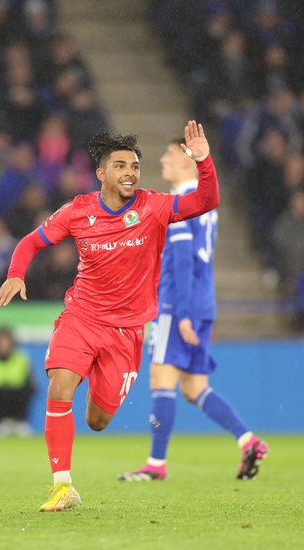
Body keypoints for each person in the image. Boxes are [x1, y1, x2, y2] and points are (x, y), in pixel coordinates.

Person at [0, 121, 220, 511]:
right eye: (120, 166)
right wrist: (16, 273)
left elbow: (205, 201)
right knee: (60, 385)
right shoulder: (78, 211)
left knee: (98, 420)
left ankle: (96, 397)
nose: (130, 172)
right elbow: (32, 241)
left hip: (126, 331)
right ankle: (62, 485)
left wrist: (203, 162)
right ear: (101, 173)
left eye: (134, 166)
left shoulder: (154, 207)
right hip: (81, 317)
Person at [117, 138, 268, 484]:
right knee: (195, 387)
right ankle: (249, 440)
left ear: (187, 161)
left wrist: (182, 314)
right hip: (203, 304)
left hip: (178, 305)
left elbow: (183, 262)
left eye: (169, 155)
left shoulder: (183, 205)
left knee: (161, 380)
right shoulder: (205, 206)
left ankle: (156, 463)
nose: (162, 160)